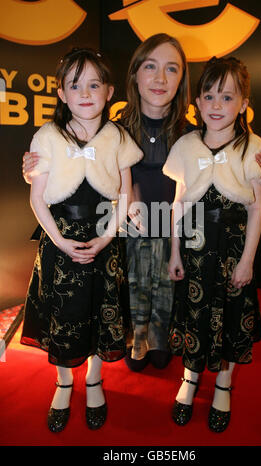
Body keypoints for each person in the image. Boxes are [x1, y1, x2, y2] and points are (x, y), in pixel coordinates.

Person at [22, 35, 261, 374]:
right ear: (133, 75)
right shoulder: (111, 130)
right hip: (122, 236)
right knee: (130, 308)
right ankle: (133, 337)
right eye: (150, 67)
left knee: (168, 336)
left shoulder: (197, 133)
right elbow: (74, 170)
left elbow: (228, 182)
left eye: (172, 69)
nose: (160, 79)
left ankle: (164, 337)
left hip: (183, 239)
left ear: (184, 81)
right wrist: (34, 171)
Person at [20, 47, 143, 432]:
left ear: (109, 92)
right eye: (75, 85)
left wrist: (108, 239)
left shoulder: (118, 136)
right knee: (64, 316)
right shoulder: (47, 135)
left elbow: (124, 193)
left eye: (95, 84)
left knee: (98, 312)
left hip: (104, 238)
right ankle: (62, 382)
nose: (85, 93)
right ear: (61, 93)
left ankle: (93, 379)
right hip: (60, 242)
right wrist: (58, 241)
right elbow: (37, 197)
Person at [163, 56, 261, 432]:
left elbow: (256, 209)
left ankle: (223, 383)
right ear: (197, 103)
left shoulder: (252, 145)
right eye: (209, 96)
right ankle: (190, 379)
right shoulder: (186, 145)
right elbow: (177, 203)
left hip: (234, 249)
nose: (217, 105)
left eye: (227, 97)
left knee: (231, 315)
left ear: (243, 103)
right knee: (195, 315)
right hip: (193, 249)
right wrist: (174, 251)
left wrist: (247, 261)